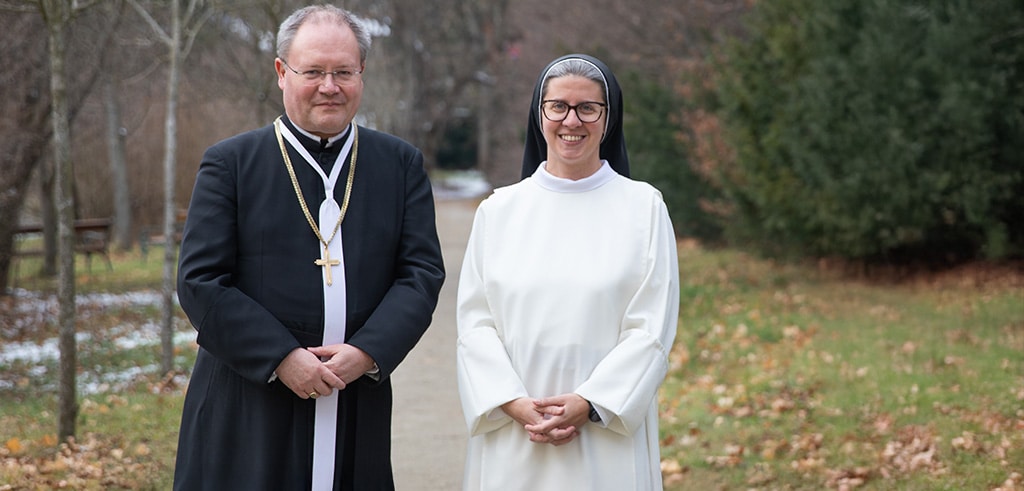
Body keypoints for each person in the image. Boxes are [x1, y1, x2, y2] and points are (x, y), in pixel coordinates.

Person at [173, 5, 445, 490]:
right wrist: (281, 357)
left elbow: (420, 275)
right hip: (249, 400)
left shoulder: (399, 165)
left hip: (355, 393)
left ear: (362, 73)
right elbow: (200, 282)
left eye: (344, 72)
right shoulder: (231, 164)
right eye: (313, 72)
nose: (329, 86)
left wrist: (367, 351)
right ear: (282, 72)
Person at [455, 54, 680, 490]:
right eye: (558, 106)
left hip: (605, 431)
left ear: (608, 118)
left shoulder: (644, 208)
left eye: (587, 108)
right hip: (516, 429)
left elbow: (652, 327)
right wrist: (512, 402)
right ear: (539, 114)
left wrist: (590, 402)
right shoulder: (499, 211)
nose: (571, 121)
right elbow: (475, 324)